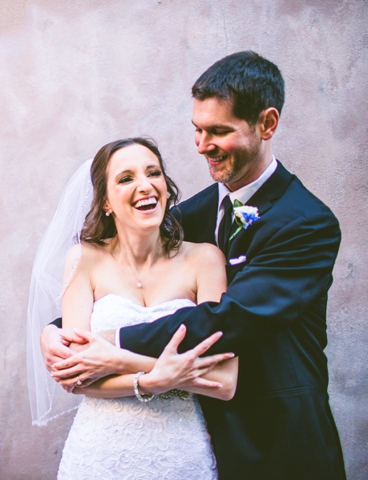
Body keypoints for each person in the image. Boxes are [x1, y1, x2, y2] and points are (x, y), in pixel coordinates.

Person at [41, 51, 346, 479]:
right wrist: (56, 331)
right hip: (201, 434)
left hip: (277, 438)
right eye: (197, 130)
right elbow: (132, 281)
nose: (202, 146)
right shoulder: (192, 213)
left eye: (218, 131)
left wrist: (106, 340)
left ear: (267, 124)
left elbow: (231, 317)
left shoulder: (307, 223)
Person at [39, 137, 238, 479]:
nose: (145, 186)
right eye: (126, 178)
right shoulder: (84, 260)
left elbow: (223, 379)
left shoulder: (204, 260)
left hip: (179, 453)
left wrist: (127, 363)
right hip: (99, 454)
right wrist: (149, 382)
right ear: (105, 202)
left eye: (153, 173)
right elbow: (76, 376)